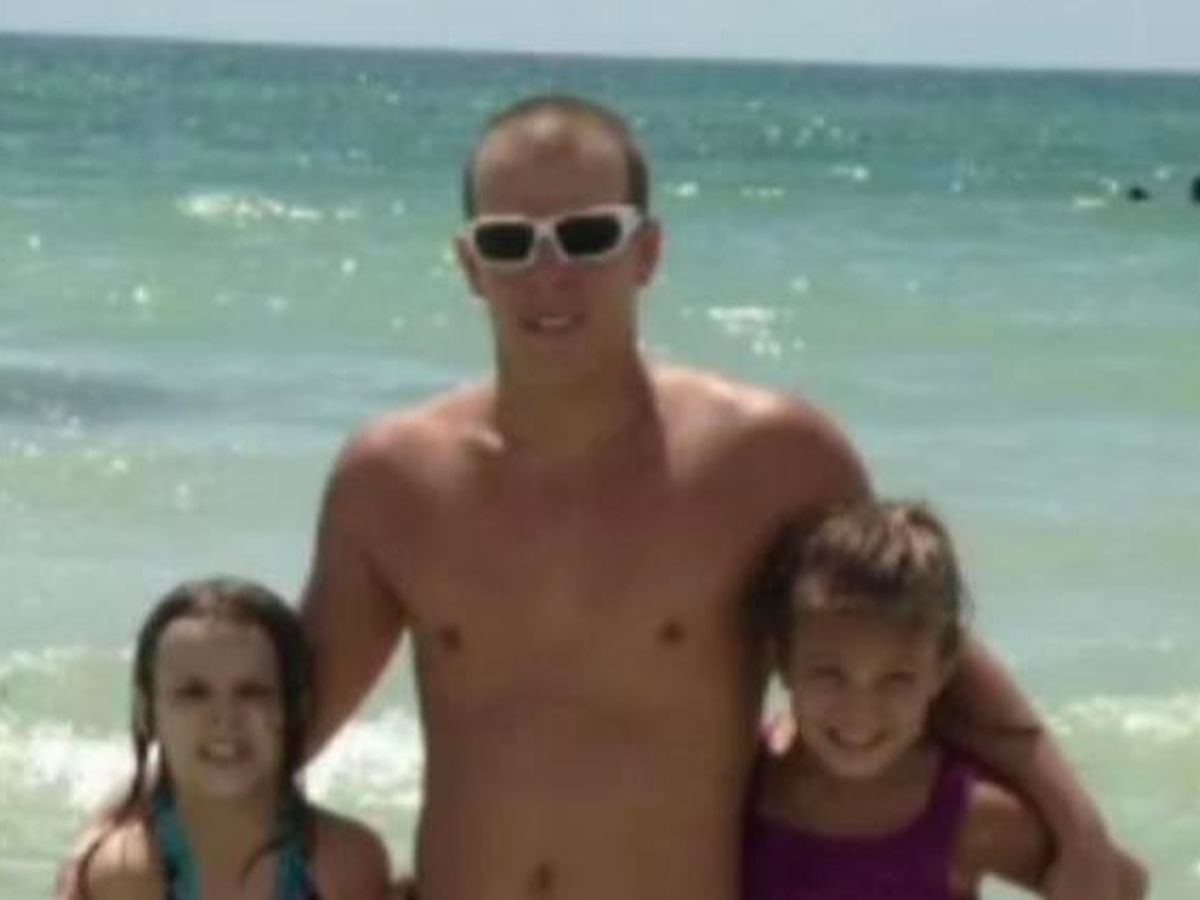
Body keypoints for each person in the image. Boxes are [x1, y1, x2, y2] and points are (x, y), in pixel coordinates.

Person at [299, 94, 1133, 900]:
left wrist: (1078, 828)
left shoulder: (772, 459)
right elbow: (271, 730)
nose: (551, 275)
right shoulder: (390, 484)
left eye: (588, 236)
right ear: (471, 265)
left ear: (647, 252)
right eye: (511, 242)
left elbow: (913, 638)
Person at [744, 500, 1147, 899]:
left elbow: (1124, 883)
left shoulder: (961, 816)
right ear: (782, 659)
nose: (860, 711)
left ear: (941, 670)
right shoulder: (746, 783)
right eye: (830, 675)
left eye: (897, 679)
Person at [58, 576, 393, 900]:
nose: (224, 717)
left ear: (293, 708)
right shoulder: (127, 870)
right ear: (149, 713)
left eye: (252, 692)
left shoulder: (344, 863)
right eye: (193, 693)